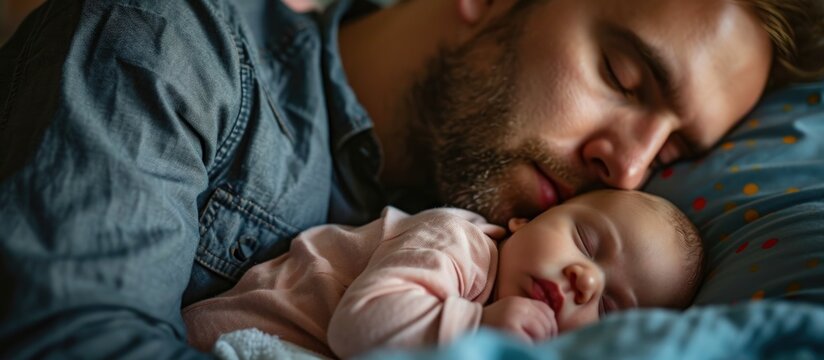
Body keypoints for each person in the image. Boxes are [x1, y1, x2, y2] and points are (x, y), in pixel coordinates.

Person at [0, 0, 820, 358]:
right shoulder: (173, 45)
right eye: (623, 74)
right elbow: (72, 342)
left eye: (671, 157)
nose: (631, 166)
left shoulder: (522, 275)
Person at [182, 190, 703, 358]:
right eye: (587, 243)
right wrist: (479, 328)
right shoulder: (458, 241)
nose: (585, 281)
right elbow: (358, 327)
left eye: (608, 308)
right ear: (525, 221)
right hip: (222, 341)